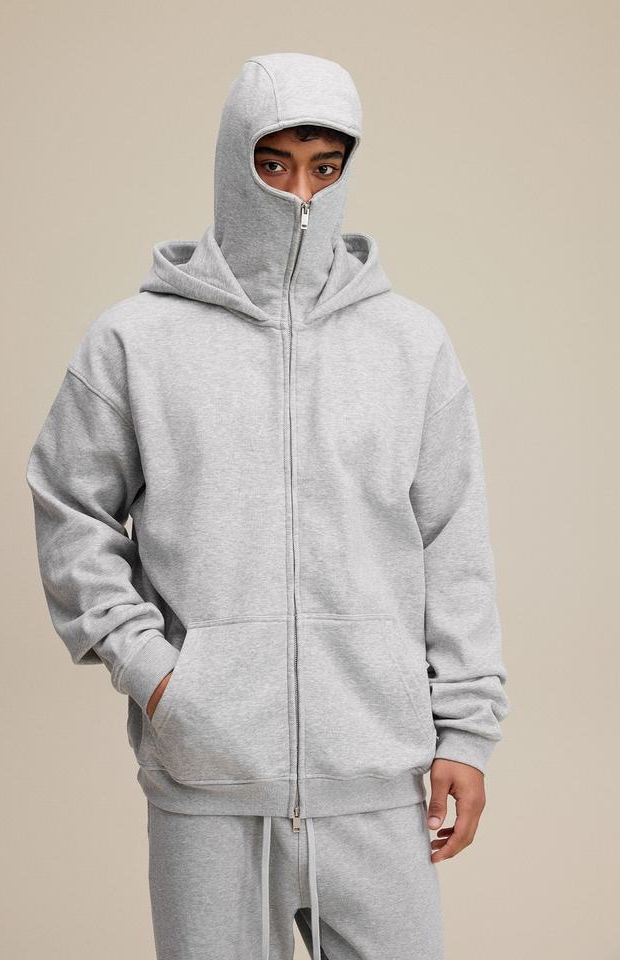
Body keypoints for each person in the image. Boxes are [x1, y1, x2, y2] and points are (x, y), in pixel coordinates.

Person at [26, 52, 510, 960]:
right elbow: (70, 511)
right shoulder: (136, 342)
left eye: (325, 166)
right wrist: (159, 676)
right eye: (274, 163)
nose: (300, 193)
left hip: (377, 778)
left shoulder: (411, 346)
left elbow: (455, 547)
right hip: (206, 782)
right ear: (231, 163)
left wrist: (468, 734)